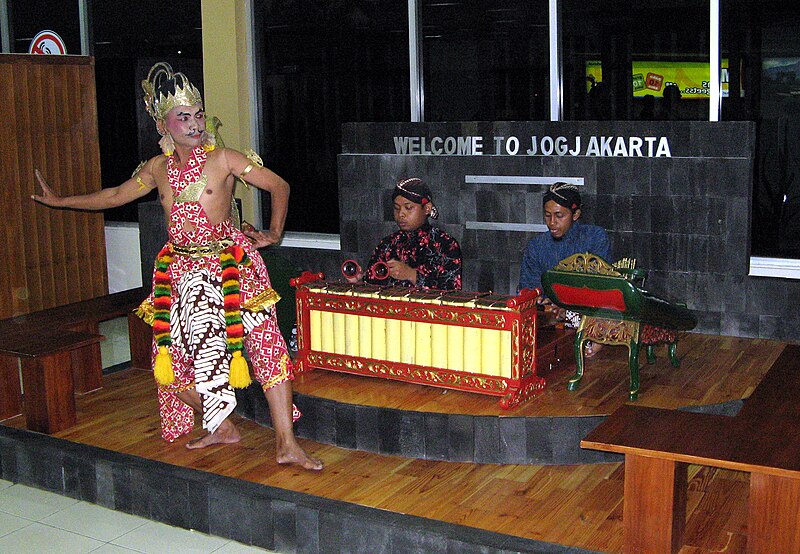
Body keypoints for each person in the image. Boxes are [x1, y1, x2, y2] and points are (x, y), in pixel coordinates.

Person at [32, 62, 322, 470]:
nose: (194, 123)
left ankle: (286, 444)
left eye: (198, 115)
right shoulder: (157, 168)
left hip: (231, 266)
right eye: (183, 117)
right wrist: (61, 201)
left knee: (266, 350)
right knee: (169, 363)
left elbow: (279, 185)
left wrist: (274, 232)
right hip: (181, 273)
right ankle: (220, 425)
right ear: (163, 124)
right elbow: (116, 194)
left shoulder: (225, 159)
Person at [519, 182, 611, 354]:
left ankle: (590, 339)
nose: (552, 222)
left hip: (586, 311)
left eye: (559, 215)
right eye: (547, 216)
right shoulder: (537, 246)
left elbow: (601, 286)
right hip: (552, 316)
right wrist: (543, 303)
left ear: (575, 214)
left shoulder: (595, 237)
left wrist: (568, 308)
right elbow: (529, 288)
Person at [349, 178, 462, 290]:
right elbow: (372, 287)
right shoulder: (387, 244)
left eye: (408, 208)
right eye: (396, 208)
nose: (401, 214)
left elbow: (452, 290)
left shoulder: (445, 244)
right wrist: (359, 281)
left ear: (427, 208)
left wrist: (411, 275)